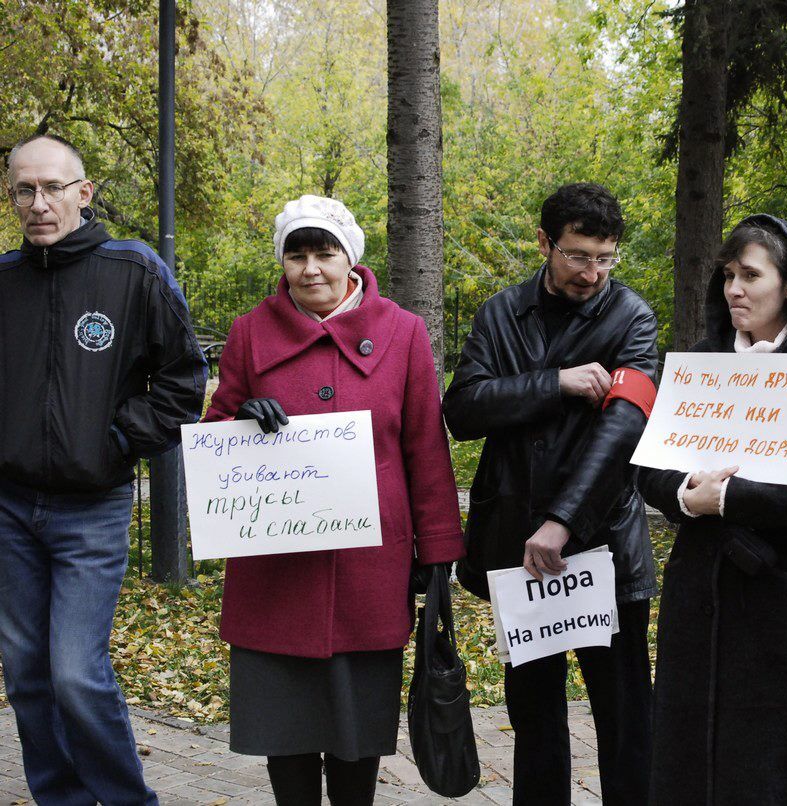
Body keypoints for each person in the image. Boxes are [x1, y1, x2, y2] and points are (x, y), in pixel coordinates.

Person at [203, 195, 465, 804]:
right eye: (297, 255)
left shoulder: (403, 331)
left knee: (358, 736)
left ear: (351, 258)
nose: (311, 268)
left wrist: (439, 550)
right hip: (275, 573)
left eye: (325, 253)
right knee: (285, 732)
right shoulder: (248, 332)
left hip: (369, 568)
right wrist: (241, 417)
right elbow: (215, 436)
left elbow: (426, 447)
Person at [0, 134, 206, 805]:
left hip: (91, 508)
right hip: (11, 510)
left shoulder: (133, 272)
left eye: (52, 188)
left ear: (83, 193)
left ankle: (125, 800)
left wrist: (119, 439)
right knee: (27, 672)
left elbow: (183, 381)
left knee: (75, 674)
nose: (38, 204)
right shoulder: (4, 282)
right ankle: (60, 798)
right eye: (23, 190)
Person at [443, 182, 658, 805]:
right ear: (545, 243)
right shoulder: (500, 314)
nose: (593, 272)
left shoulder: (632, 319)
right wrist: (553, 384)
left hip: (603, 547)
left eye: (606, 257)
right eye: (578, 255)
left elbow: (622, 430)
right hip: (517, 544)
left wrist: (564, 519)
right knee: (534, 714)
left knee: (623, 716)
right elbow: (462, 409)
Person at [639, 216, 787, 805]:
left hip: (775, 595)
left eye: (750, 276)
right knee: (687, 754)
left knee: (768, 763)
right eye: (728, 275)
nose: (734, 289)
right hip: (695, 590)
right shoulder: (700, 361)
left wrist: (734, 499)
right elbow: (651, 470)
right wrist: (687, 497)